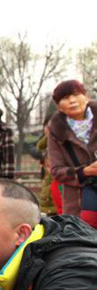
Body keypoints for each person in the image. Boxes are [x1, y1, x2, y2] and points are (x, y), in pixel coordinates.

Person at [47, 80, 97, 224]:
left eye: (75, 95)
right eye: (65, 98)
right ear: (59, 106)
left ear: (85, 96)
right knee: (85, 234)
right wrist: (86, 172)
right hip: (78, 200)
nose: (72, 101)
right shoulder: (56, 131)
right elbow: (56, 170)